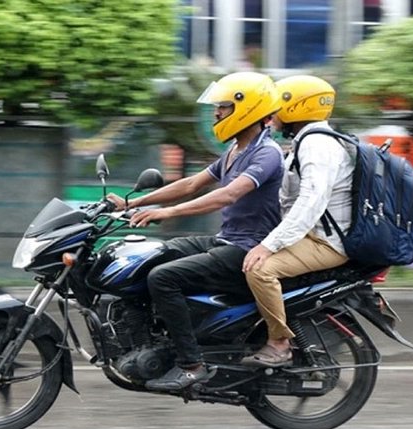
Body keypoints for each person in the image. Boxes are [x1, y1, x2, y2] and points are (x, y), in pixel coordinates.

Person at [107, 71, 284, 391]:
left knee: (163, 277)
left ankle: (191, 363)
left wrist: (168, 212)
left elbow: (228, 194)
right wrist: (131, 203)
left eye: (224, 107)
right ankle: (148, 340)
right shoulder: (234, 151)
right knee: (150, 256)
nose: (216, 113)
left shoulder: (267, 153)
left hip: (248, 249)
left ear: (250, 108)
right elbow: (190, 184)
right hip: (226, 239)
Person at [241, 75, 354, 367]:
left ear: (297, 107)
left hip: (326, 242)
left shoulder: (318, 145)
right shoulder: (308, 142)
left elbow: (310, 201)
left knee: (260, 270)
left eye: (278, 105)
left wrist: (269, 245)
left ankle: (279, 344)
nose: (273, 112)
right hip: (314, 235)